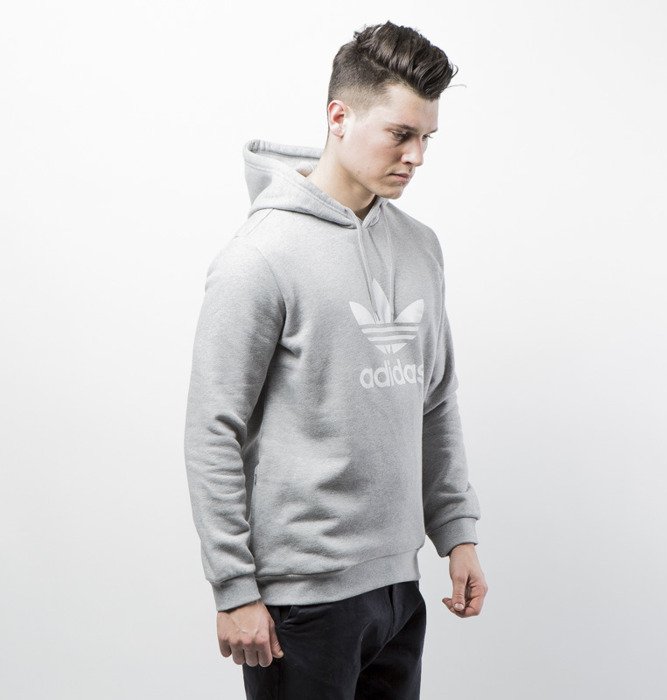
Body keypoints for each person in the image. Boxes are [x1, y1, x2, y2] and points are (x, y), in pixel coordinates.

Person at [184, 19, 488, 699]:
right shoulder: (259, 257)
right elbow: (213, 429)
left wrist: (457, 534)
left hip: (399, 589)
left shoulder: (421, 247)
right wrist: (234, 589)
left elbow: (435, 398)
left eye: (427, 138)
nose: (416, 156)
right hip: (302, 601)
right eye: (400, 134)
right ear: (339, 117)